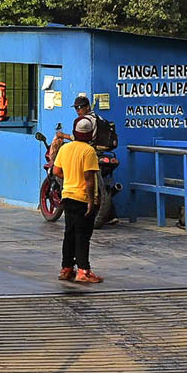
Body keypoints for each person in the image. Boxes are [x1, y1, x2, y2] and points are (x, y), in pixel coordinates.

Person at [51, 115, 105, 284]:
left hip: (68, 196)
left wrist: (70, 178)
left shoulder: (65, 149)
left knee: (70, 234)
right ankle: (83, 271)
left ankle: (66, 269)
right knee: (83, 235)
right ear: (90, 134)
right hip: (82, 199)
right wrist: (91, 201)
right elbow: (89, 178)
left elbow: (56, 171)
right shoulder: (89, 151)